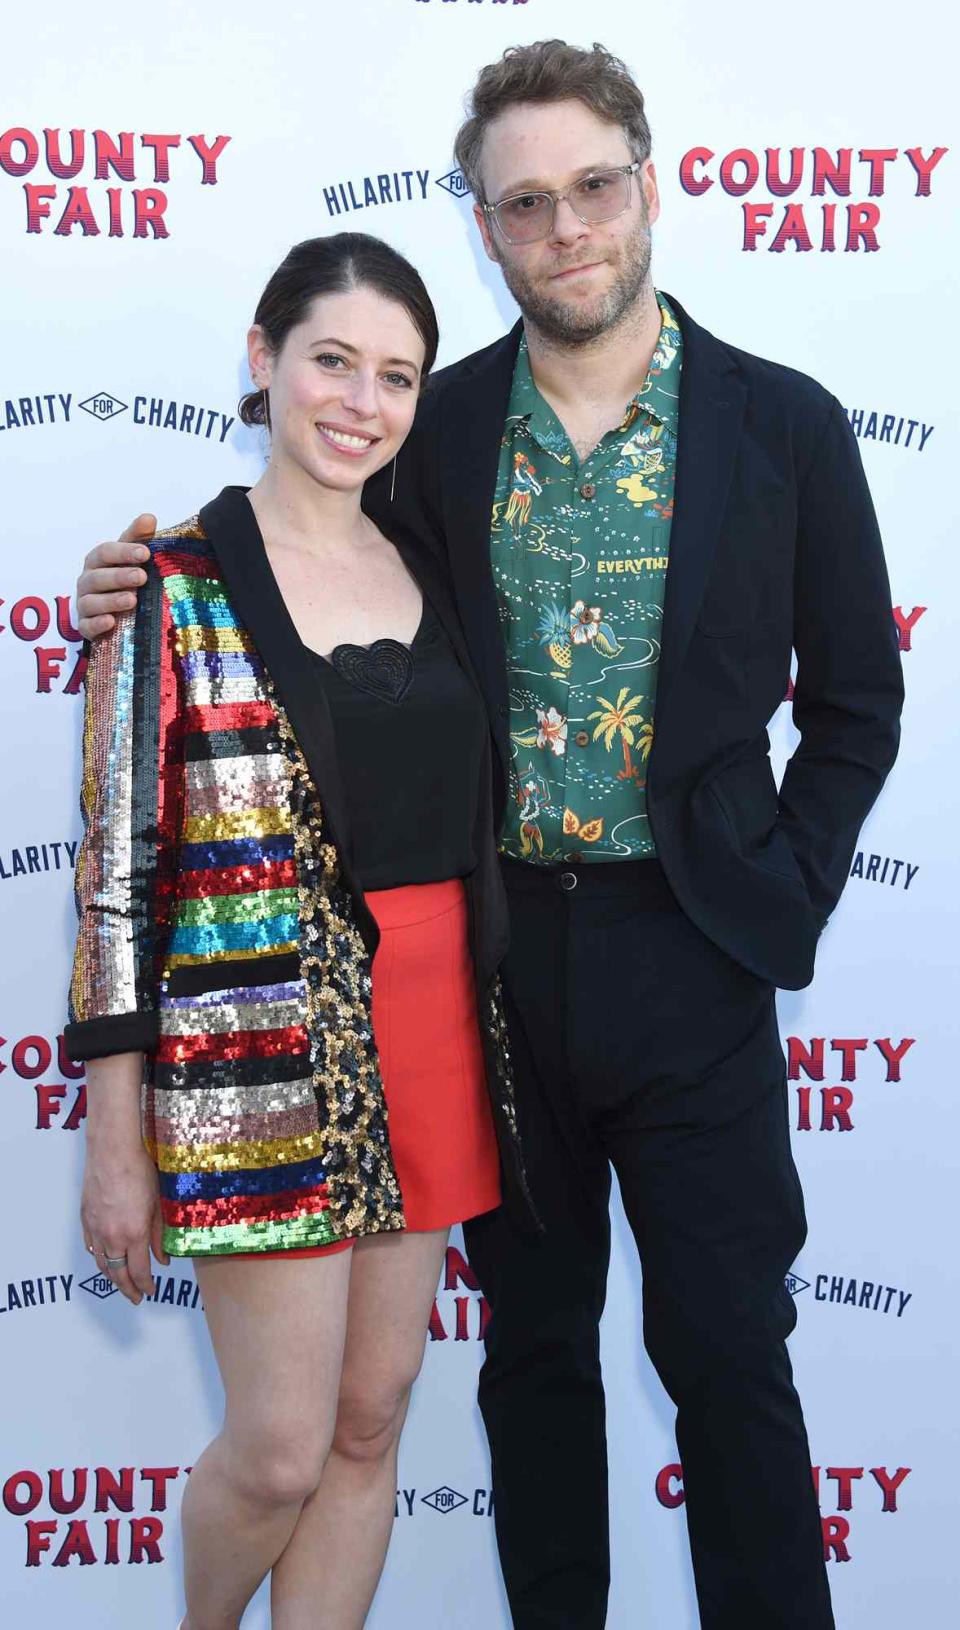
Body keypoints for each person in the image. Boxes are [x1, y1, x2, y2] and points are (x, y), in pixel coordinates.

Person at [76, 40, 905, 1630]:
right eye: (524, 202)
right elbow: (291, 576)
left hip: (698, 956)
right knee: (532, 1361)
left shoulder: (787, 426)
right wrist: (139, 579)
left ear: (646, 184)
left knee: (728, 1354)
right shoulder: (434, 429)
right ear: (484, 225)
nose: (566, 225)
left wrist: (775, 896)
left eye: (593, 186)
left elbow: (858, 704)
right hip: (495, 967)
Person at [65, 231, 532, 1630]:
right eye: (333, 359)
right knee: (275, 1445)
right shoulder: (168, 582)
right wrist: (114, 1136)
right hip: (254, 1045)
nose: (361, 400)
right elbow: (113, 874)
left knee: (372, 1418)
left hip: (437, 1024)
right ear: (263, 360)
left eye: (397, 375)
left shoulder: (439, 565)